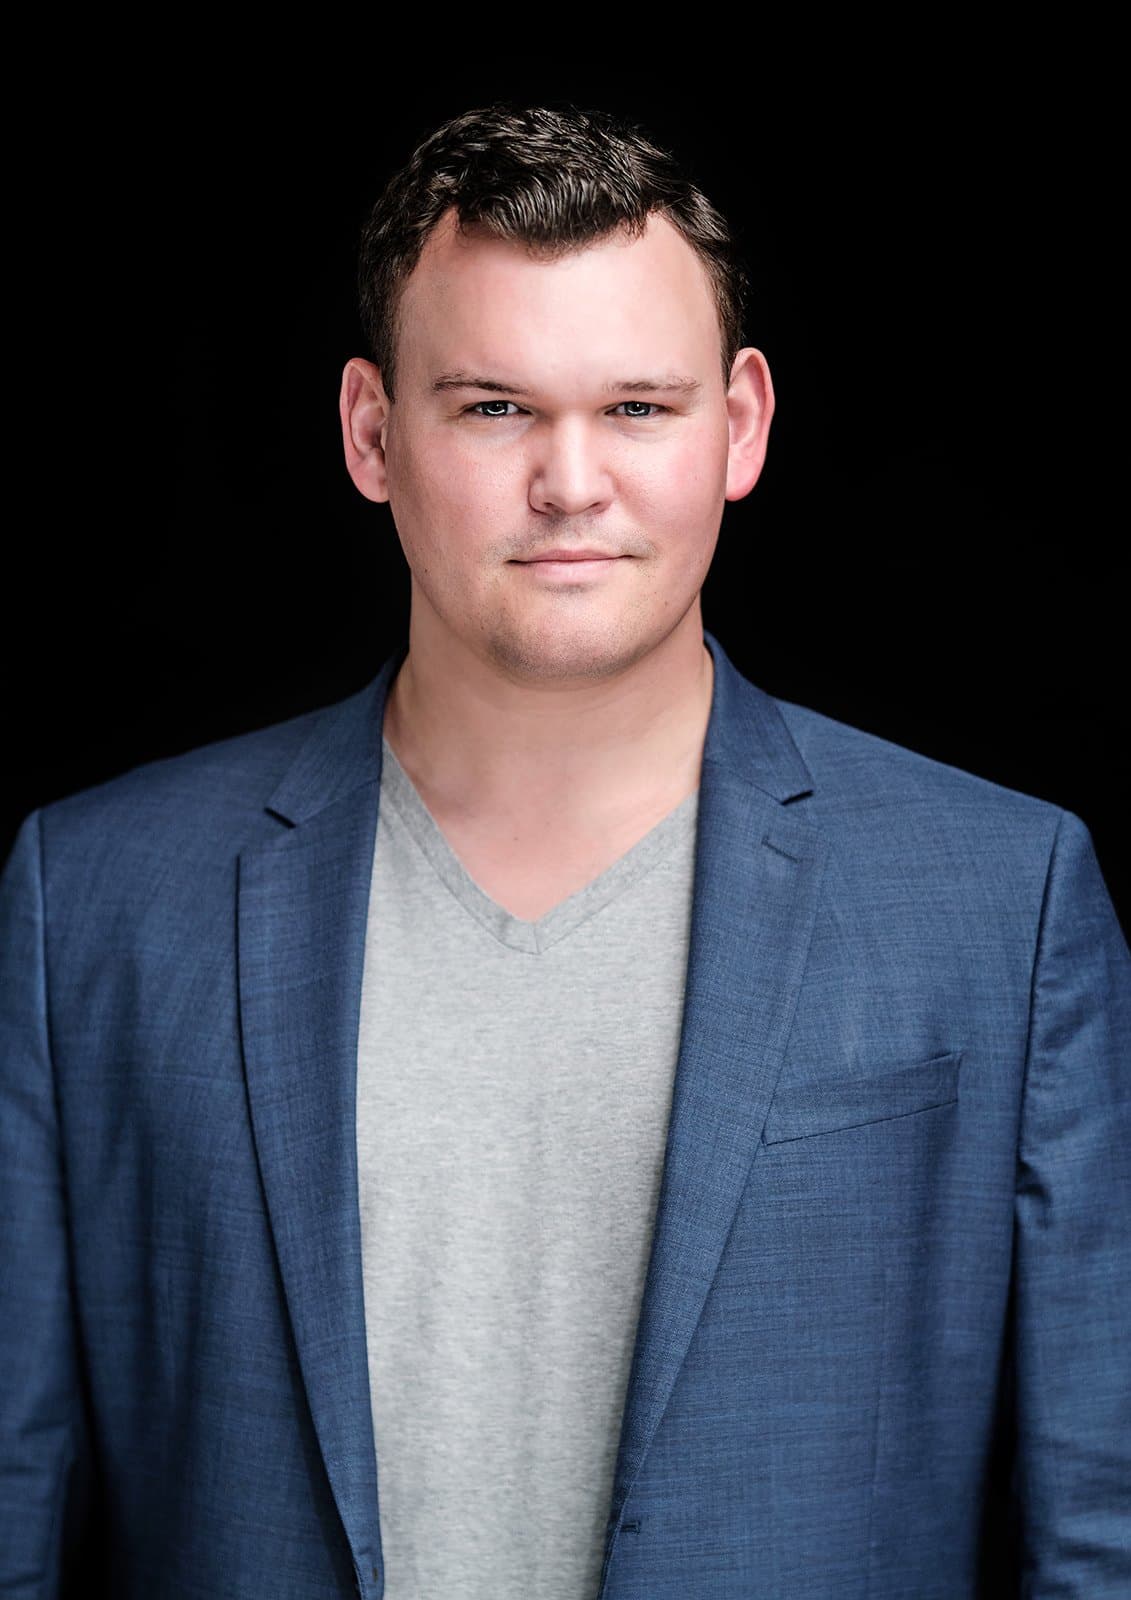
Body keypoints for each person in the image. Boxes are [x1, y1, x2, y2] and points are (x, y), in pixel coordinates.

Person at [1, 101, 1128, 1600]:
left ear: (741, 426)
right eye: (495, 408)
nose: (571, 484)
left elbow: (1098, 1532)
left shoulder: (1005, 899)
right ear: (369, 432)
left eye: (638, 410)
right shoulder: (94, 899)